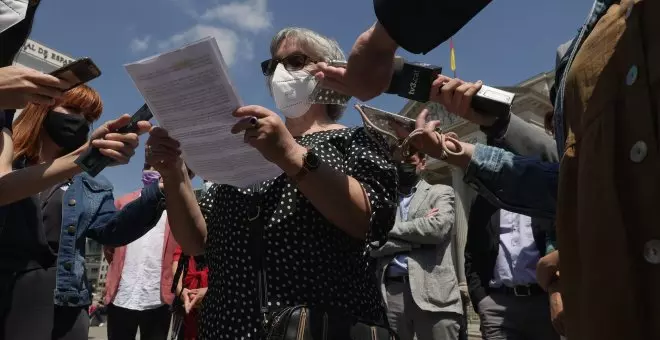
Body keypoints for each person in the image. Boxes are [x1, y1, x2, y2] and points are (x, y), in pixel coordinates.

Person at [144, 27, 398, 339]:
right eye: (272, 65)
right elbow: (198, 243)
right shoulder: (246, 145)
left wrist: (290, 154)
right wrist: (174, 176)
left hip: (319, 326)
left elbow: (369, 221)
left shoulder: (357, 139)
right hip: (228, 324)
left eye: (295, 61)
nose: (279, 72)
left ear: (332, 69)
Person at [0, 85, 157, 340]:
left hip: (64, 303)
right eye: (72, 109)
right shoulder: (6, 162)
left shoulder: (91, 182)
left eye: (88, 116)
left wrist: (158, 194)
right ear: (42, 107)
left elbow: (112, 231)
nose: (80, 120)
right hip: (9, 293)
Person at [371, 150, 462, 340]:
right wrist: (417, 240)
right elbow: (372, 243)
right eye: (398, 161)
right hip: (391, 294)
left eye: (410, 160)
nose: (403, 164)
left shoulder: (441, 191)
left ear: (422, 163)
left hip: (434, 292)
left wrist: (388, 230)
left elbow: (437, 229)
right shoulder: (383, 202)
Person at [102, 164, 193, 340]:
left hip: (158, 299)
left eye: (160, 165)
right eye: (150, 165)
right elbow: (109, 248)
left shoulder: (178, 209)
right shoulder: (123, 202)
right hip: (121, 295)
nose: (155, 169)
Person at [171, 245, 209, 340]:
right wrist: (181, 293)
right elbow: (178, 259)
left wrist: (208, 293)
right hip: (186, 314)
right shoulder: (186, 241)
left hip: (214, 314)